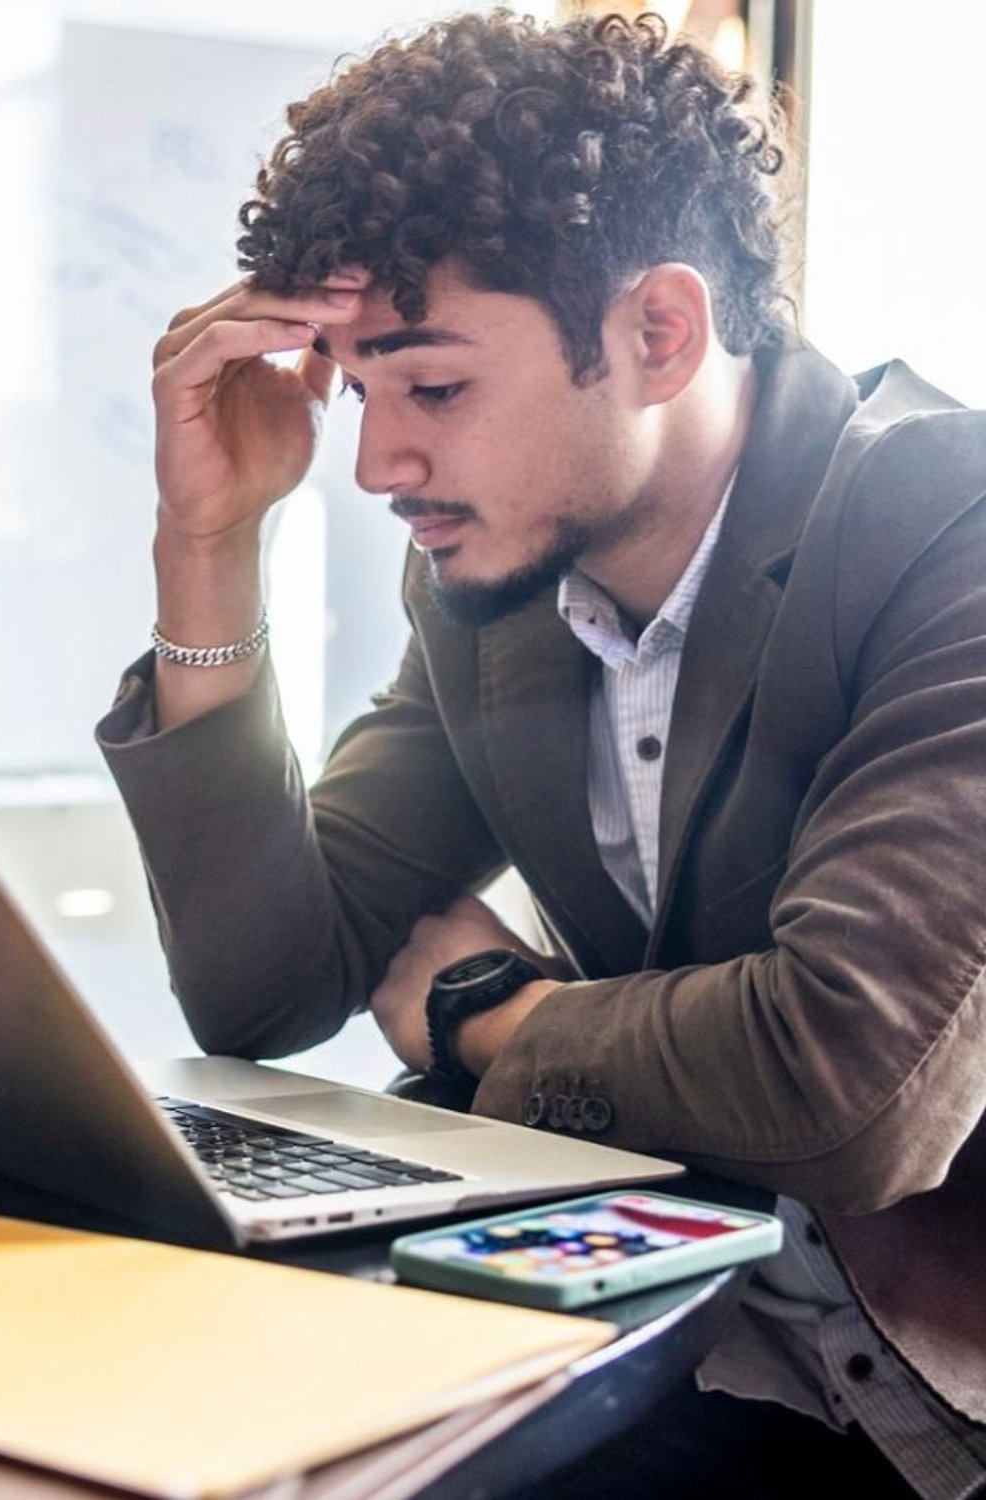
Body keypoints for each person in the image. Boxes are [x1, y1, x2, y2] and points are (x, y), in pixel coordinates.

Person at [97, 11, 986, 1497]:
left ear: (660, 334)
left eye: (432, 388)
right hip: (681, 1335)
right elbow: (262, 988)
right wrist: (211, 543)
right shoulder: (495, 592)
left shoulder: (946, 533)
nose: (378, 466)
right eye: (360, 391)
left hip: (935, 1393)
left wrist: (488, 1012)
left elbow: (855, 1084)